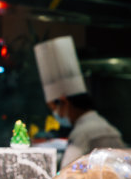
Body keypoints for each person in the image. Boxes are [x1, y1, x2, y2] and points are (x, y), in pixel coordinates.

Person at [33, 36, 126, 167]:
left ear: (64, 101)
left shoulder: (82, 133)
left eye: (53, 108)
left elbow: (68, 175)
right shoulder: (108, 128)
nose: (54, 113)